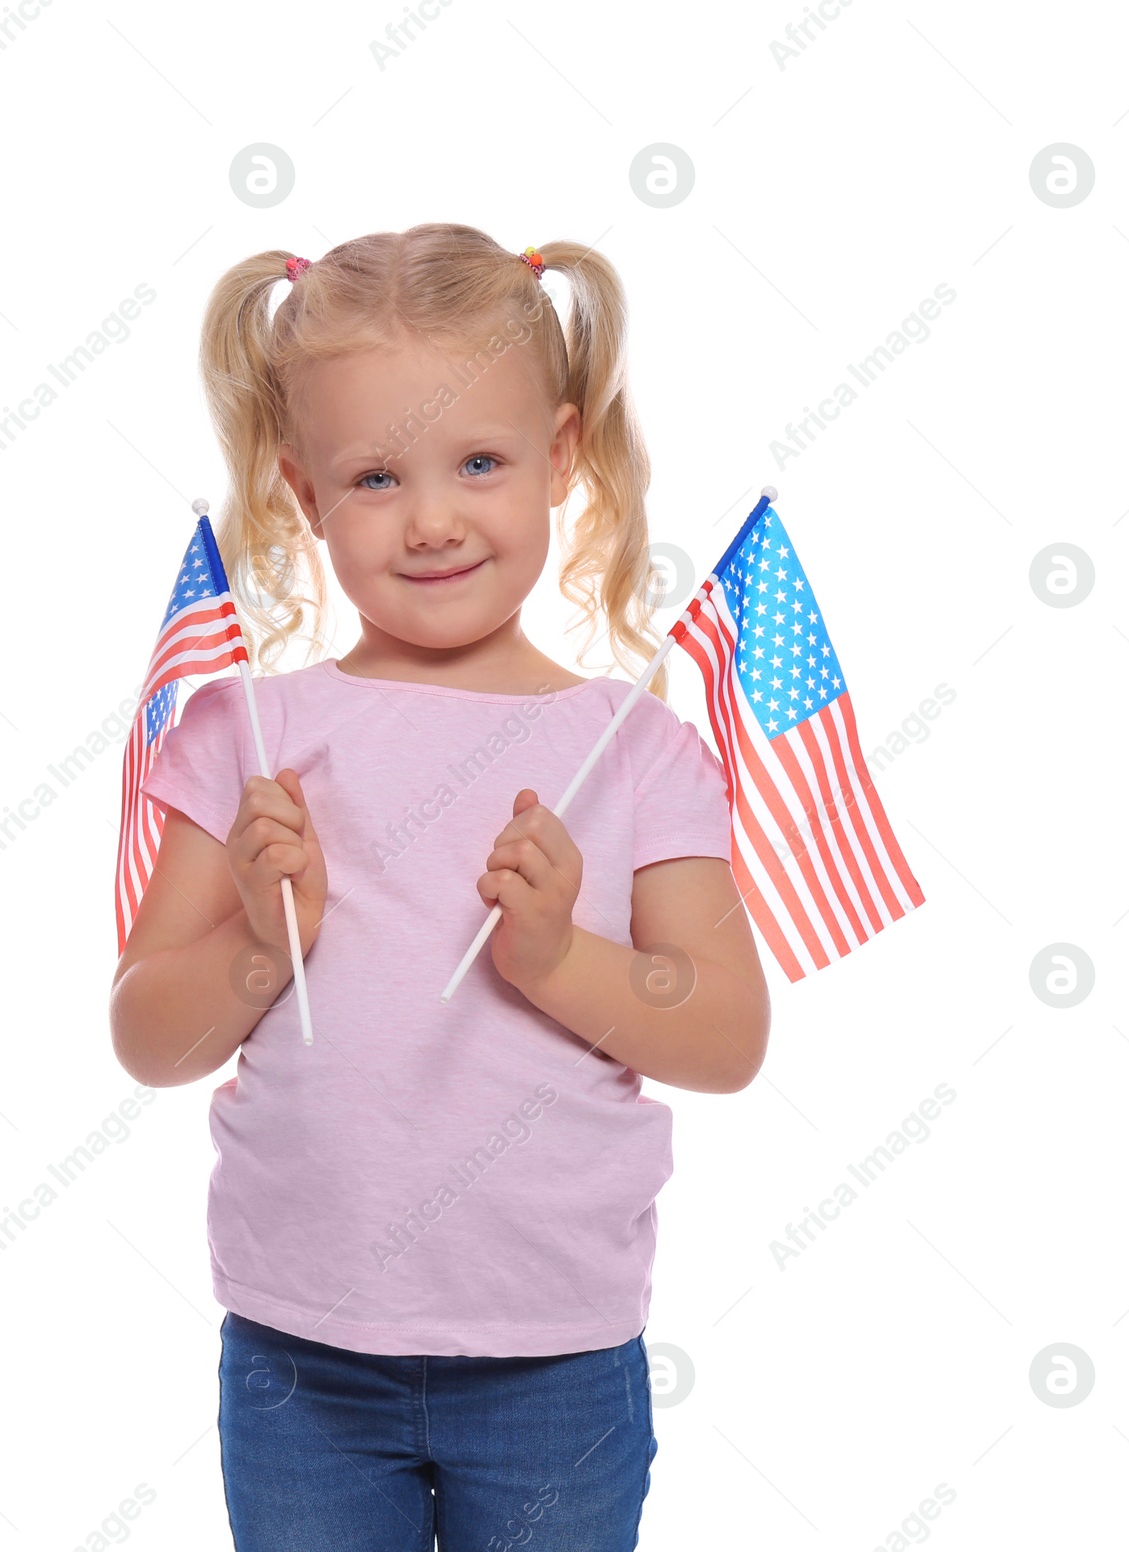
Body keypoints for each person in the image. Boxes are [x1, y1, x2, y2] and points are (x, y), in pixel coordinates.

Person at [109, 223, 771, 1551]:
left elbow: (727, 1036)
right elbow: (145, 1035)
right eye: (374, 475)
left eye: (480, 461)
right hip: (305, 1359)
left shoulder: (635, 747)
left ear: (562, 458)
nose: (430, 518)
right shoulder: (244, 737)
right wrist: (258, 942)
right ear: (304, 494)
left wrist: (558, 958)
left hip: (555, 1363)